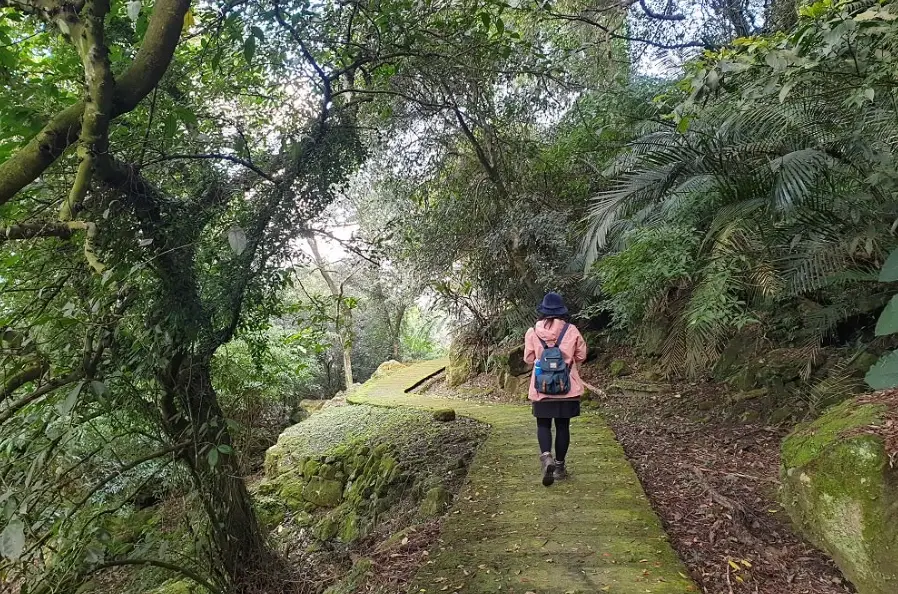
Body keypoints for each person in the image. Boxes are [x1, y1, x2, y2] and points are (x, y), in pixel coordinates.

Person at [523, 292, 588, 486]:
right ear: (562, 312)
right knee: (562, 426)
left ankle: (546, 457)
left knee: (543, 424)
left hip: (542, 388)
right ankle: (559, 467)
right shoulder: (572, 330)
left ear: (542, 312)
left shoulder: (532, 332)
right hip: (566, 388)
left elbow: (528, 359)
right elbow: (581, 355)